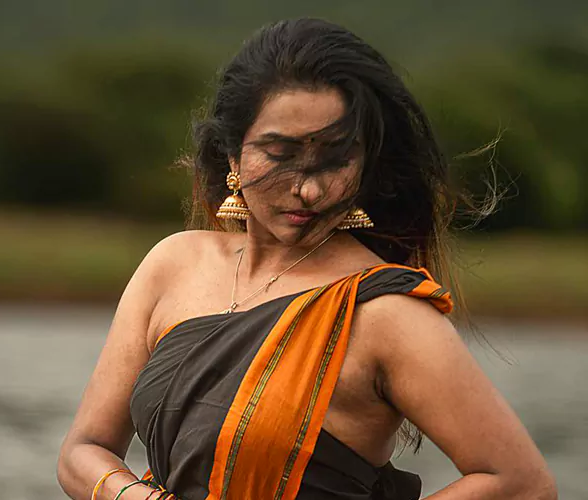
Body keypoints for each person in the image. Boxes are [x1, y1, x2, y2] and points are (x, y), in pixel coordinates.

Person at [57, 18, 557, 500]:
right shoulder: (173, 264)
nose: (310, 190)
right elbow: (84, 450)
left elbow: (522, 484)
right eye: (280, 154)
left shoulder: (385, 313)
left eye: (337, 159)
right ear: (232, 154)